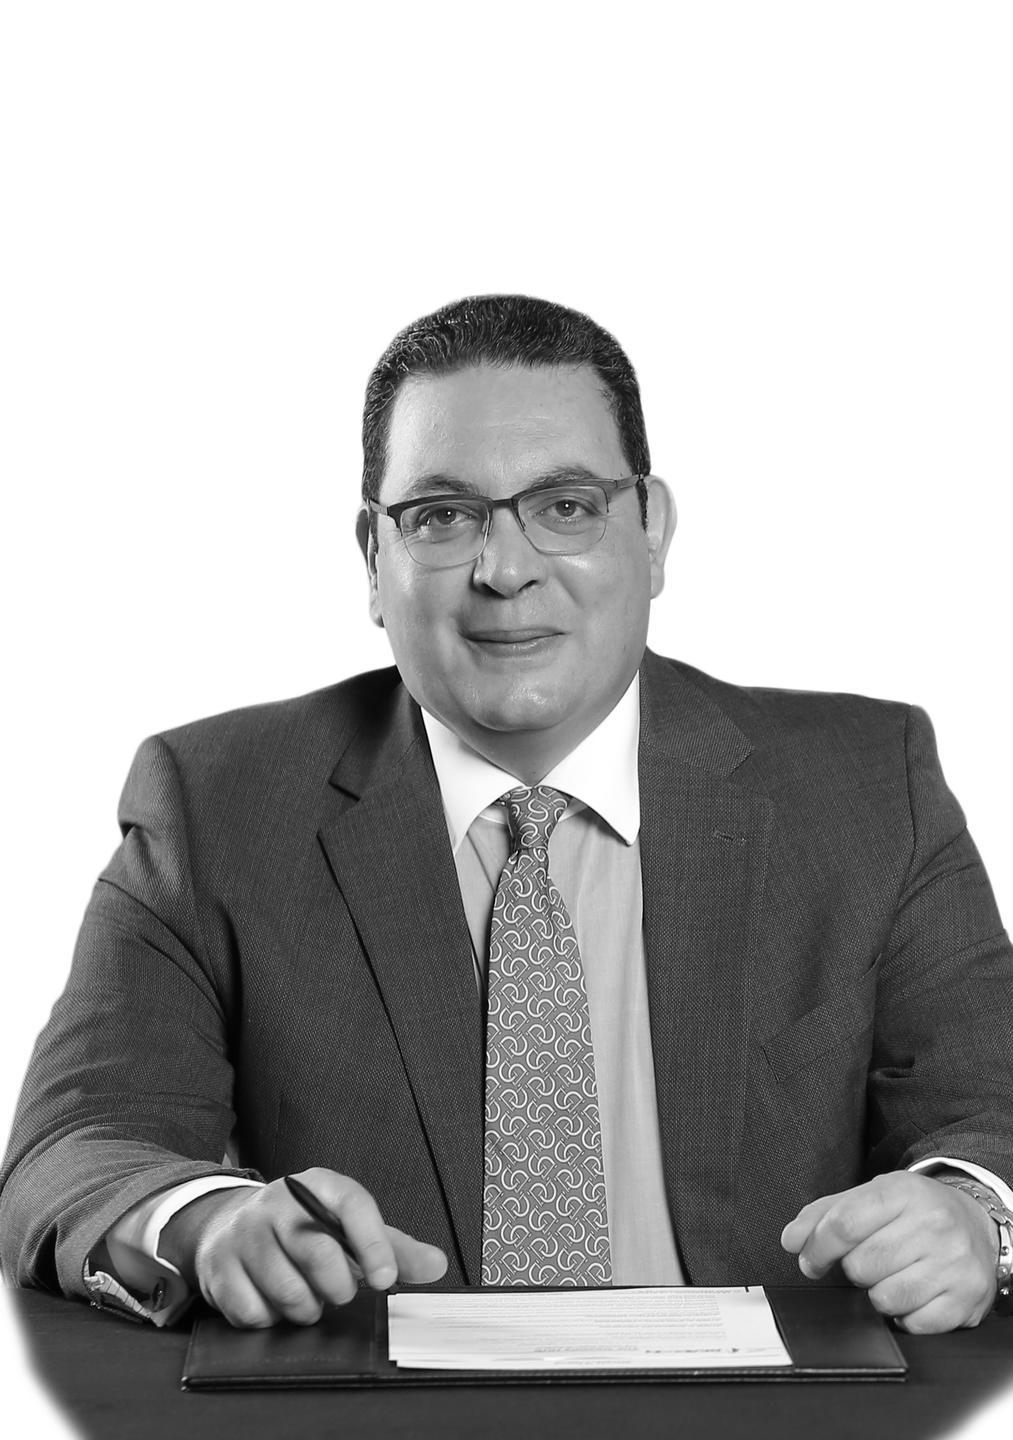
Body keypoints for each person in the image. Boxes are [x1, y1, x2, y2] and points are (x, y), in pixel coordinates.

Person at [2, 295, 1011, 1337]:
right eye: (442, 517)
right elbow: (74, 1147)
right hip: (371, 1402)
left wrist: (972, 1212)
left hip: (776, 1401)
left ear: (651, 532)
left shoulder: (866, 786)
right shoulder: (216, 805)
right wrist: (210, 1223)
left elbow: (991, 1105)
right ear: (372, 559)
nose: (504, 570)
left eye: (564, 506)